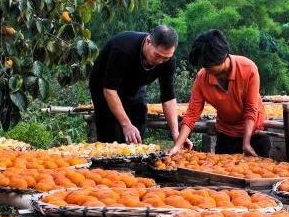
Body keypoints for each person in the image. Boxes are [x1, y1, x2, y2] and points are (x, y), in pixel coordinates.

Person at [169, 29, 271, 157]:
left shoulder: (248, 69)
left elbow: (251, 109)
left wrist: (246, 143)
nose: (206, 70)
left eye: (209, 66)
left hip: (255, 133)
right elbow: (192, 114)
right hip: (226, 134)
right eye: (204, 66)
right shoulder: (202, 77)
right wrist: (177, 146)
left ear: (223, 56)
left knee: (258, 173)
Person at [88, 26, 184, 146]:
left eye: (165, 58)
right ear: (149, 41)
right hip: (104, 85)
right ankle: (109, 163)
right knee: (111, 131)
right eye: (157, 55)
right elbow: (110, 90)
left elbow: (168, 96)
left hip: (134, 84)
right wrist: (126, 124)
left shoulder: (168, 61)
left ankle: (135, 159)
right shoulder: (123, 48)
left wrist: (176, 134)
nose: (160, 61)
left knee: (139, 115)